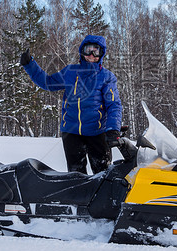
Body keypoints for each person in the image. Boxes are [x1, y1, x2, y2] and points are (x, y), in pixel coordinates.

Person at [20, 35, 123, 175]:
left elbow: (114, 105)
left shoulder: (106, 77)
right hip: (71, 133)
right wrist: (30, 65)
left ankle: (105, 198)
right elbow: (48, 83)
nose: (91, 55)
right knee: (76, 175)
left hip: (97, 132)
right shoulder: (70, 72)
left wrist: (112, 128)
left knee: (103, 174)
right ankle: (80, 197)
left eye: (96, 51)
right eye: (88, 50)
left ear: (101, 53)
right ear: (82, 51)